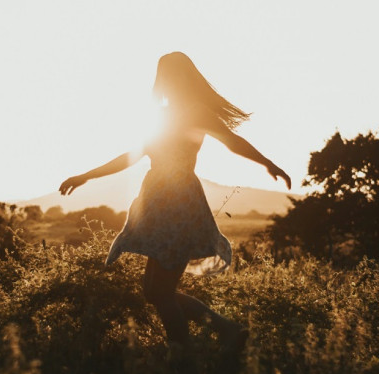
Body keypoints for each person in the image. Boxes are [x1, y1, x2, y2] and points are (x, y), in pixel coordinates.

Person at [59, 52, 291, 354]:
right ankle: (225, 330)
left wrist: (267, 163)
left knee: (162, 292)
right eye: (163, 75)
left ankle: (189, 359)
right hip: (157, 204)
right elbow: (132, 155)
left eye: (171, 75)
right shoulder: (163, 115)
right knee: (153, 292)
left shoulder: (196, 111)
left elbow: (232, 141)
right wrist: (87, 175)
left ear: (185, 78)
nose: (166, 81)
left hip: (180, 204)